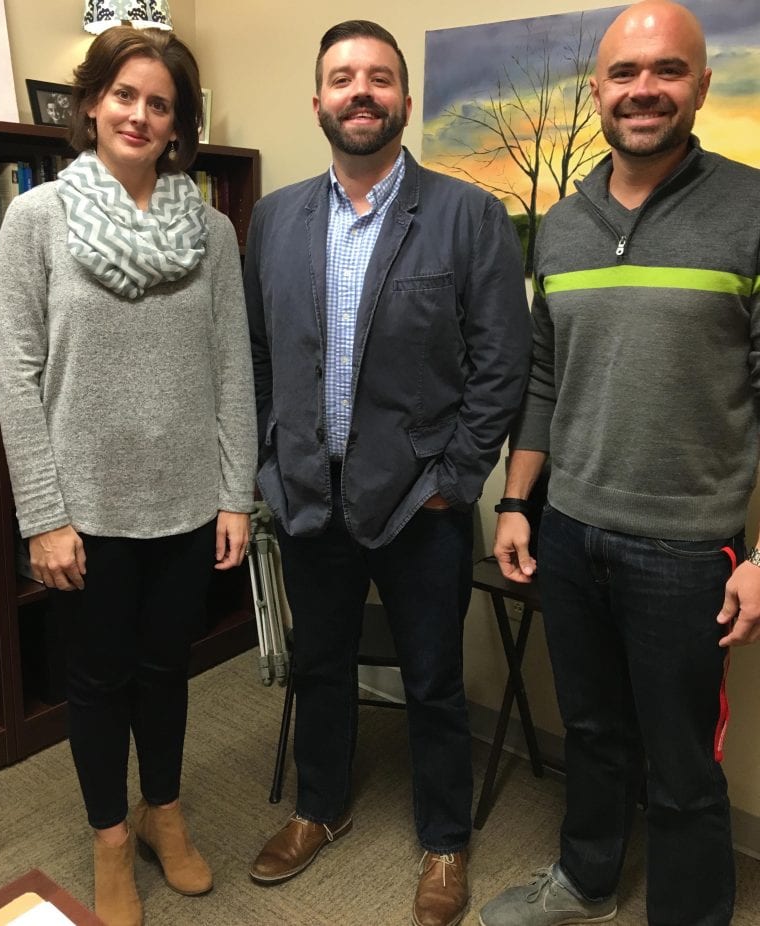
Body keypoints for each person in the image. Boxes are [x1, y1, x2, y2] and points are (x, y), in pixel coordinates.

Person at [243, 19, 531, 926]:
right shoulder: (274, 217)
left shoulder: (467, 215)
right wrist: (266, 464)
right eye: (341, 77)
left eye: (377, 77)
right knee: (320, 666)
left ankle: (445, 841)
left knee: (434, 678)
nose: (359, 91)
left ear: (403, 101)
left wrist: (455, 475)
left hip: (421, 506)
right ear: (318, 100)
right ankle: (318, 809)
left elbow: (502, 365)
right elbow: (256, 354)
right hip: (307, 499)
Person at [479, 2, 760, 925]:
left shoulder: (750, 211)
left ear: (701, 85)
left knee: (682, 764)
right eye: (625, 74)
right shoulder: (560, 227)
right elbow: (546, 381)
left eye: (667, 71)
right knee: (590, 734)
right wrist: (518, 505)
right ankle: (587, 882)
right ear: (595, 89)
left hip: (689, 552)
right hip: (570, 535)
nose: (644, 90)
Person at [0, 26, 256, 926]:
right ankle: (111, 838)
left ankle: (163, 814)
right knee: (98, 681)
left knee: (166, 673)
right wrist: (43, 513)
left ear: (178, 124)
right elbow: (14, 374)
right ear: (92, 104)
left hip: (185, 504)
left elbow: (233, 368)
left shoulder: (213, 230)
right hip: (85, 511)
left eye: (160, 103)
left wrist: (234, 494)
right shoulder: (37, 220)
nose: (140, 115)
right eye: (125, 95)